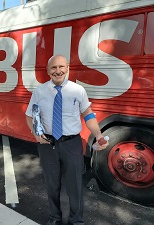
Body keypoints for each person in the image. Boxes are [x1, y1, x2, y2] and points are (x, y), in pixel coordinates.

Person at [25, 55, 109, 225]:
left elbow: (88, 115)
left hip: (72, 144)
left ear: (67, 67)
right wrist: (36, 135)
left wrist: (99, 136)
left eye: (61, 67)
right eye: (54, 68)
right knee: (52, 185)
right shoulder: (39, 91)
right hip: (48, 145)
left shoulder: (78, 90)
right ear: (48, 71)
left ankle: (76, 221)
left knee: (75, 186)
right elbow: (29, 116)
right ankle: (54, 218)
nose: (58, 71)